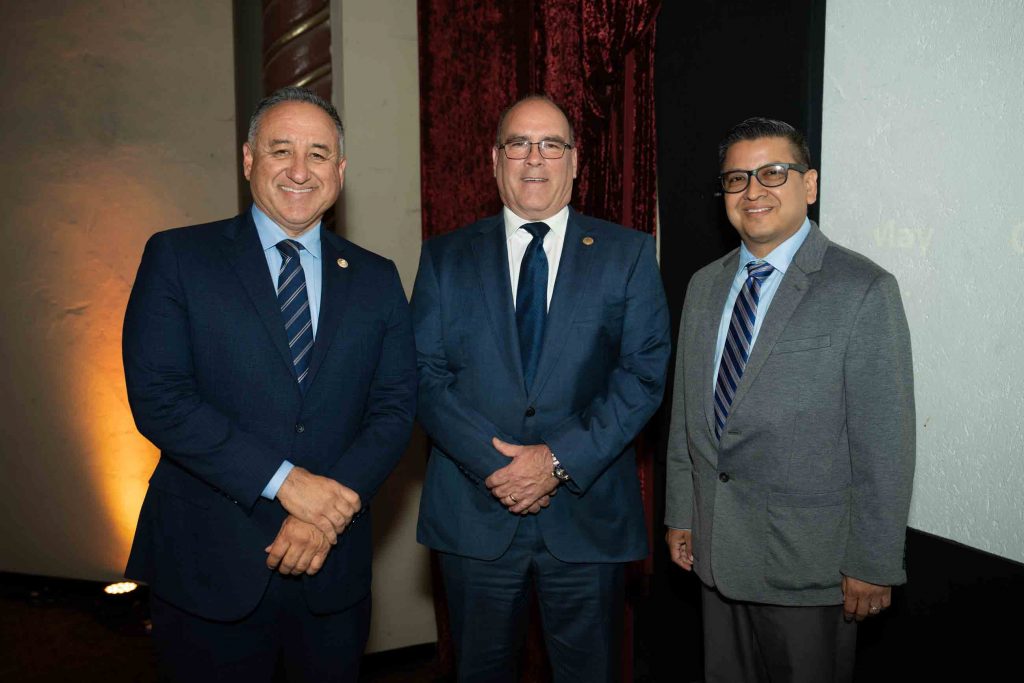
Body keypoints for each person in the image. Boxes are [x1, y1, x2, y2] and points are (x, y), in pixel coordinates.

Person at [122, 86, 417, 682]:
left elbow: (394, 408)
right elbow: (161, 398)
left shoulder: (376, 277)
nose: (300, 171)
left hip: (333, 571)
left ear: (340, 170)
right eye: (281, 150)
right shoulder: (179, 257)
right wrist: (286, 484)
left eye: (318, 153)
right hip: (209, 566)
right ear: (249, 159)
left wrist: (323, 512)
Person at [411, 94, 671, 682]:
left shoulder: (627, 255)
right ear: (494, 160)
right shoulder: (444, 257)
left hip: (585, 517)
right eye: (517, 144)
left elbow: (643, 375)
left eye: (551, 144)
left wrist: (554, 461)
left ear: (576, 162)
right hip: (475, 515)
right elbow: (424, 377)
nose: (534, 158)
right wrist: (498, 466)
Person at [665, 117, 915, 682]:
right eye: (736, 179)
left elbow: (885, 442)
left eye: (772, 173)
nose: (753, 191)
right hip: (715, 551)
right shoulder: (704, 285)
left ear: (810, 185)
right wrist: (682, 510)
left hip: (809, 566)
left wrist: (874, 561)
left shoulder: (863, 289)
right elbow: (687, 416)